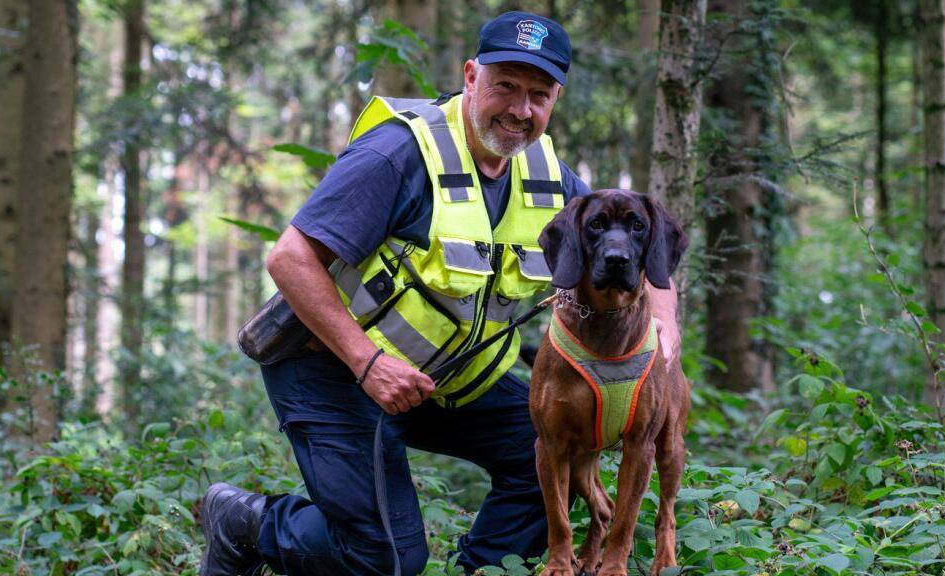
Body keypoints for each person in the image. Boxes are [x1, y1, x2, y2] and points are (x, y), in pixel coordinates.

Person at [199, 11, 681, 576]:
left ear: (555, 100)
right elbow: (289, 258)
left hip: (444, 379)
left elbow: (650, 257)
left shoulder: (551, 179)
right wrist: (368, 362)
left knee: (554, 449)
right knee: (386, 560)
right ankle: (245, 522)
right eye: (505, 85)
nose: (520, 110)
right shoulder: (399, 155)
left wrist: (664, 333)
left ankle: (478, 568)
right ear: (471, 76)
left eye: (538, 94)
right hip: (334, 369)